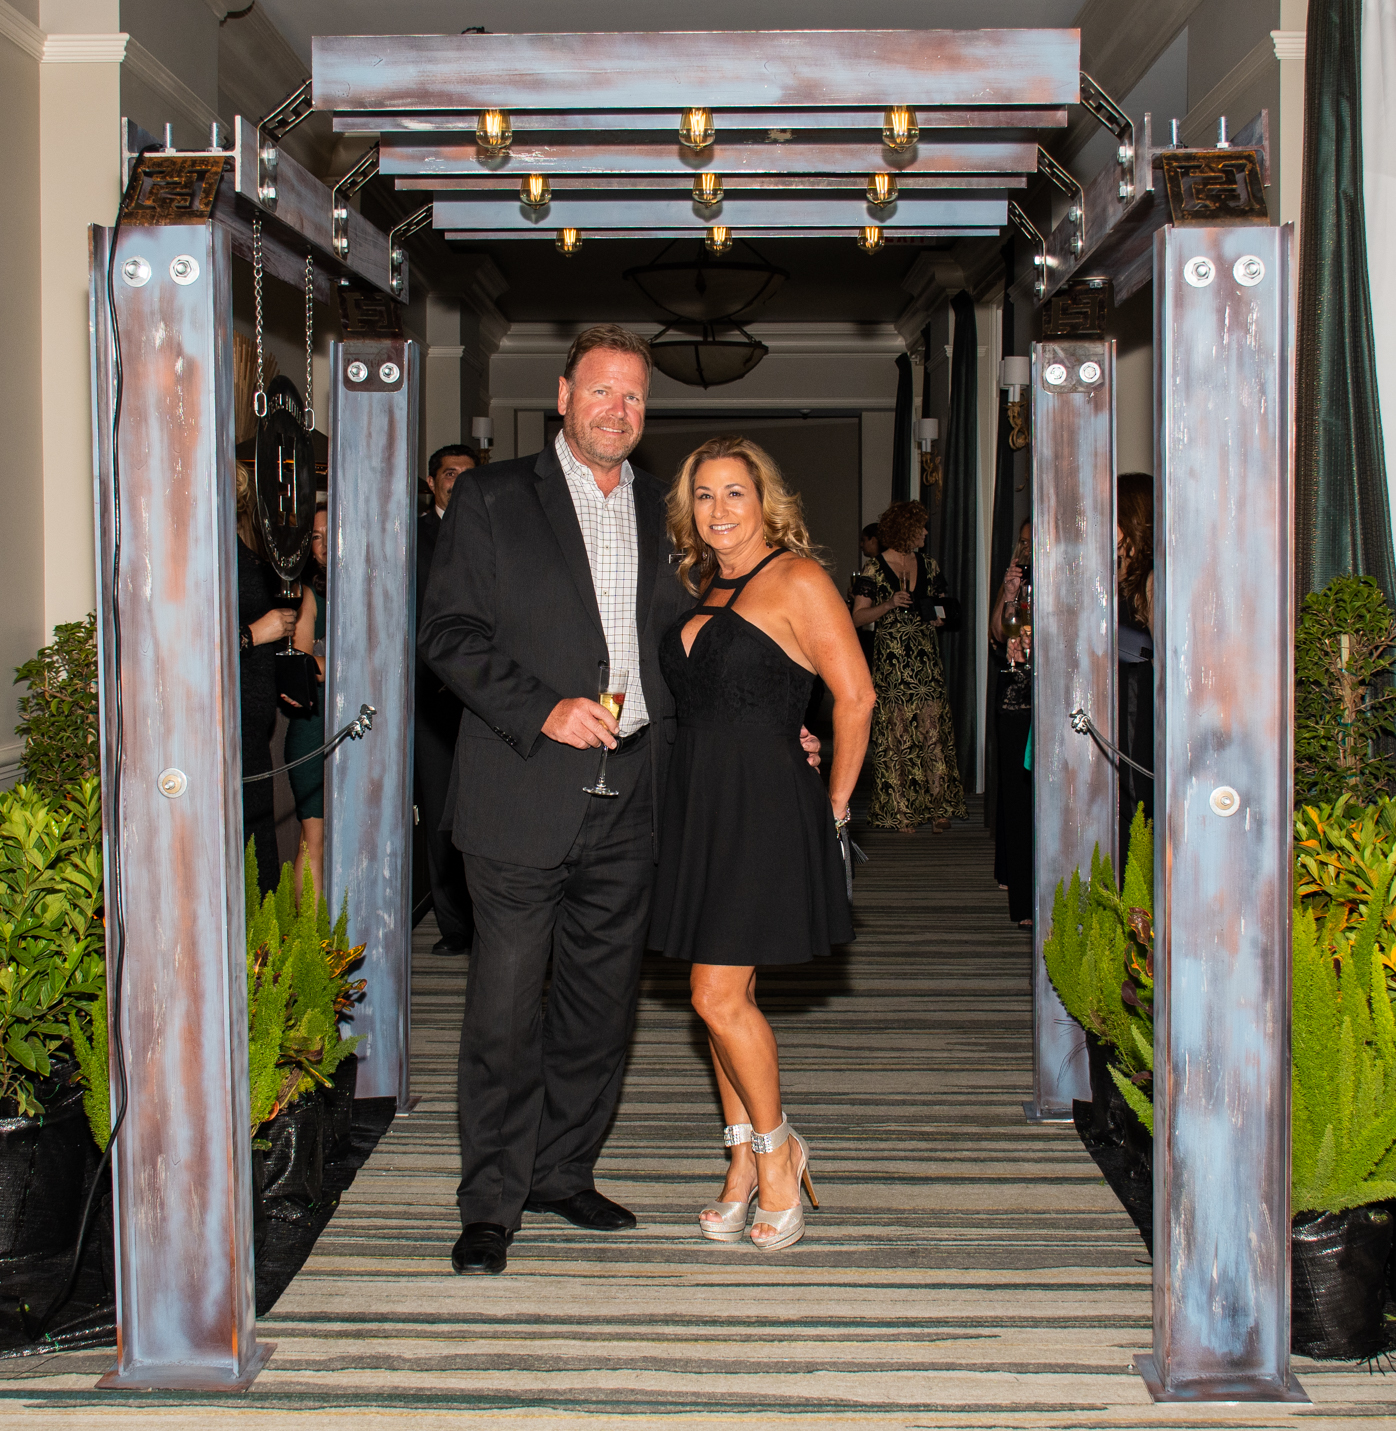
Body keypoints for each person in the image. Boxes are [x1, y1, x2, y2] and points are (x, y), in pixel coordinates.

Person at [418, 324, 690, 1277]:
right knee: (504, 1013)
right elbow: (448, 634)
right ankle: (490, 1204)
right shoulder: (493, 498)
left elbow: (693, 641)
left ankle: (562, 1171)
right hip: (521, 790)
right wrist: (544, 707)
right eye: (602, 391)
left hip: (635, 793)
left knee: (599, 1009)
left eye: (635, 396)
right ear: (565, 395)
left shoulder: (665, 508)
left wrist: (778, 726)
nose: (619, 409)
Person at [650, 437, 872, 1253]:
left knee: (715, 995)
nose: (719, 510)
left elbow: (856, 696)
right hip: (701, 805)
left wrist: (835, 806)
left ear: (764, 500)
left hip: (765, 808)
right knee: (722, 995)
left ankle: (780, 1156)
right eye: (704, 495)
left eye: (734, 493)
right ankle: (741, 1160)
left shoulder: (798, 578)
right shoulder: (704, 584)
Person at [851, 500, 967, 834]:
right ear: (906, 529)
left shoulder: (928, 565)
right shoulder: (874, 570)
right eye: (921, 527)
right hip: (893, 664)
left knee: (932, 731)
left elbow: (942, 606)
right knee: (897, 735)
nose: (926, 533)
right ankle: (901, 810)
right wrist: (888, 604)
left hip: (925, 660)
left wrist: (939, 619)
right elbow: (856, 618)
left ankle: (939, 808)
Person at [416, 443, 480, 955]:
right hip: (433, 699)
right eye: (450, 473)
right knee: (440, 811)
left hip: (488, 696)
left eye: (467, 474)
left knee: (485, 810)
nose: (458, 482)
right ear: (432, 482)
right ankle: (455, 924)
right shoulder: (411, 538)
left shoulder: (494, 531)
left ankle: (490, 920)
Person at [236, 462, 297, 896]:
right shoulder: (191, 553)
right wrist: (258, 632)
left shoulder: (237, 548)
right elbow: (184, 643)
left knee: (255, 837)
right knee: (240, 840)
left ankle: (259, 932)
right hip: (222, 720)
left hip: (253, 720)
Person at [989, 520, 1033, 927]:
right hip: (1018, 694)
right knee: (1018, 793)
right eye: (1022, 541)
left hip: (1054, 693)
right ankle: (1023, 902)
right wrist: (1008, 594)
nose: (1026, 548)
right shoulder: (1017, 584)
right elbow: (999, 635)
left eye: (1031, 540)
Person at [285, 497, 329, 900]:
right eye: (316, 536)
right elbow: (301, 665)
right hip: (314, 728)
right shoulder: (307, 594)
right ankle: (309, 934)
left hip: (360, 724)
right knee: (314, 838)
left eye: (331, 532)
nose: (325, 543)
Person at [1117, 472, 1155, 871]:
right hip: (1115, 687)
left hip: (1137, 693)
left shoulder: (1153, 575)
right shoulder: (1119, 570)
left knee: (1133, 792)